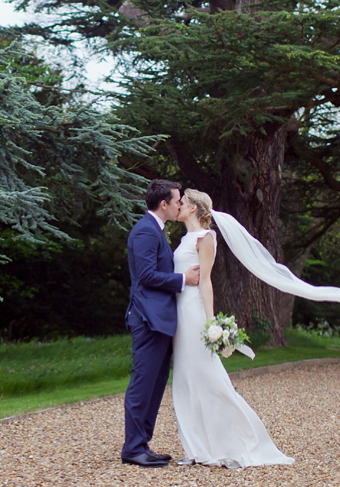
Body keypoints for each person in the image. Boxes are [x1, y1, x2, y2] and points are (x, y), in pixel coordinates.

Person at [168, 188, 294, 467]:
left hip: (193, 312)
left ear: (194, 209)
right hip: (179, 311)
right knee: (185, 378)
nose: (178, 205)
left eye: (183, 202)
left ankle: (239, 440)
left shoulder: (206, 237)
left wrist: (210, 321)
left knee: (207, 376)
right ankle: (197, 448)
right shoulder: (184, 239)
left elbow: (205, 281)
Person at [121, 179, 200, 467]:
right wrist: (183, 280)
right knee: (143, 383)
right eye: (177, 200)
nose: (181, 205)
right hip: (147, 319)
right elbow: (146, 277)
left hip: (161, 320)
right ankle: (133, 447)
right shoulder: (144, 231)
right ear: (164, 204)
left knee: (155, 384)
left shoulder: (157, 231)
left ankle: (142, 444)